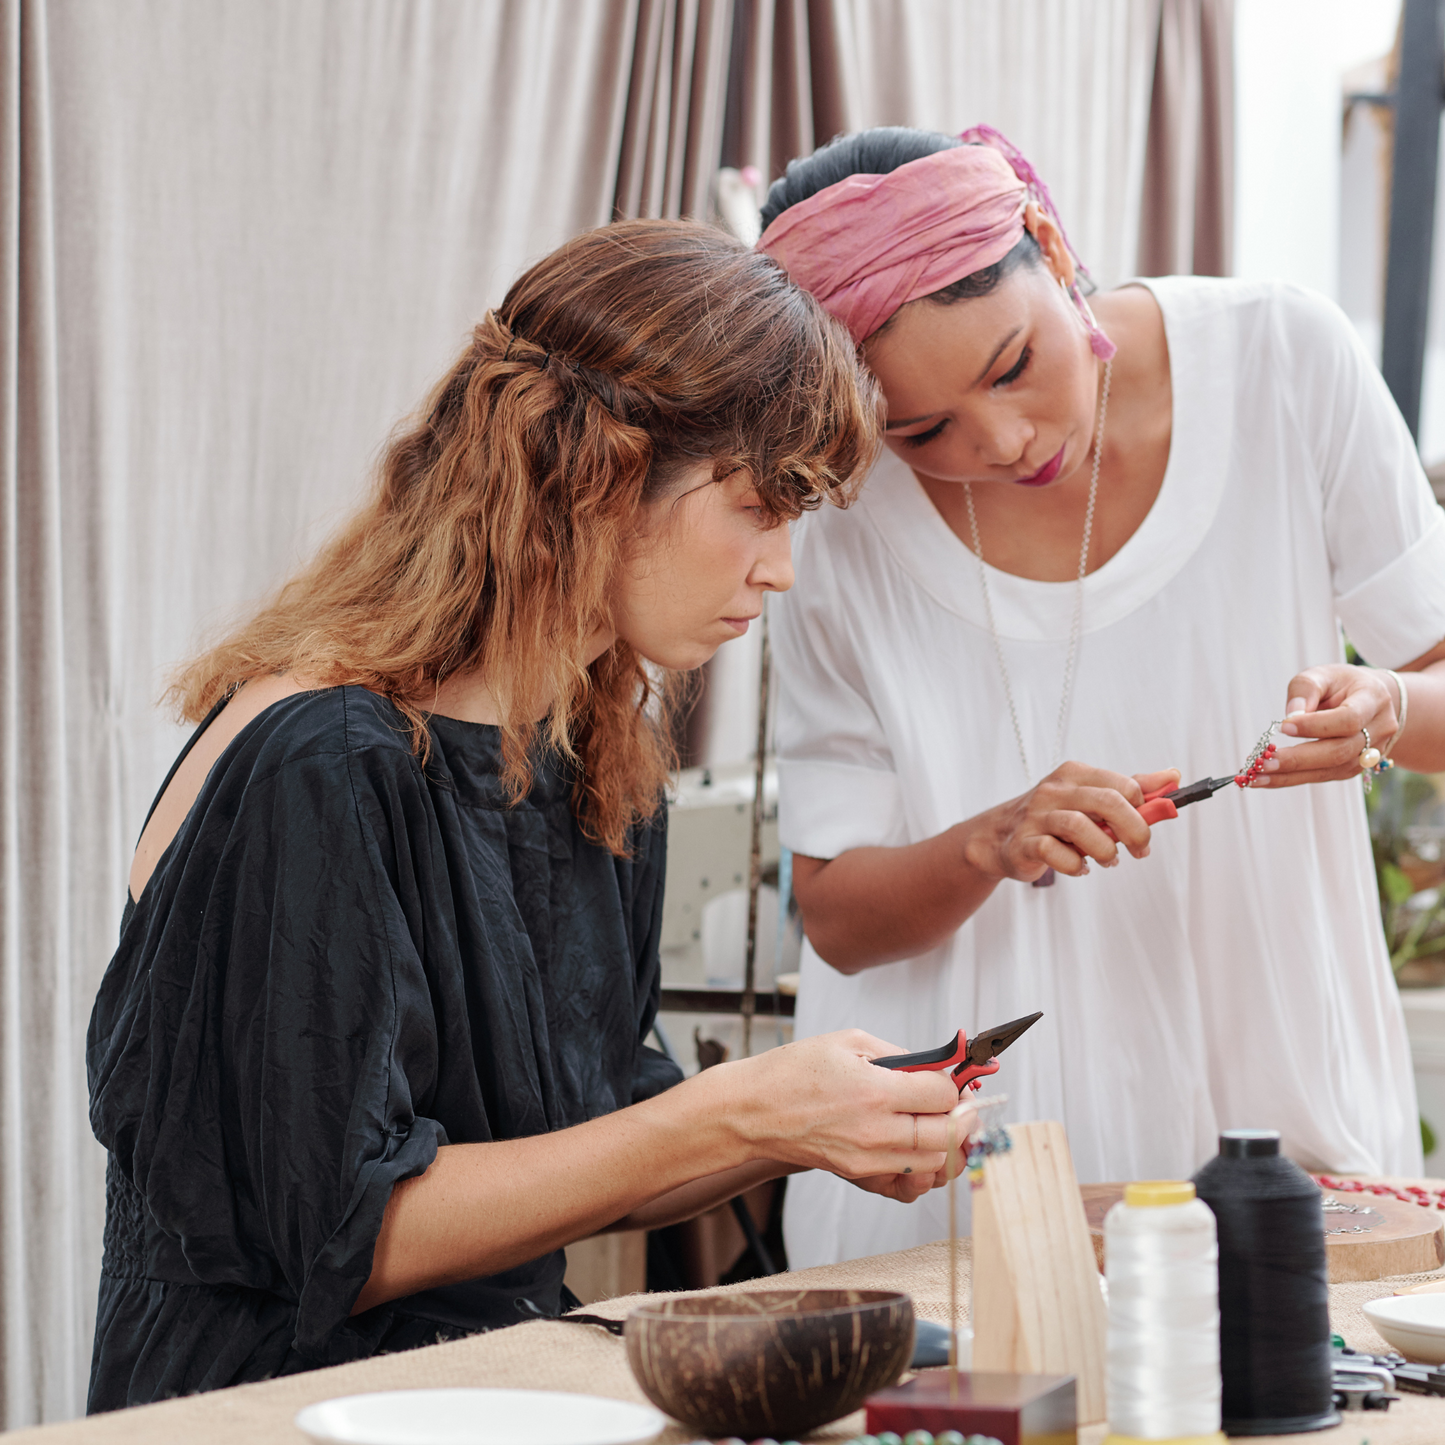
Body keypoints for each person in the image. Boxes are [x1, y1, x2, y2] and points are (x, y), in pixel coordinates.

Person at [85, 219, 971, 1411]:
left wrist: (804, 1116)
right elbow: (343, 1233)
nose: (782, 569)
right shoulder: (322, 762)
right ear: (599, 473)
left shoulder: (591, 757)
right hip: (264, 1415)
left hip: (492, 1392)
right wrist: (733, 1111)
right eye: (763, 503)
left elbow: (590, 1137)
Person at [756, 126, 1445, 1270]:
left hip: (1281, 1144)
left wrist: (1381, 709)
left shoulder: (1281, 361)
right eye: (920, 431)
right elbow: (834, 912)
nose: (1003, 440)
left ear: (1044, 241)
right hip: (961, 1191)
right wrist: (986, 841)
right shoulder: (833, 515)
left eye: (1011, 363)